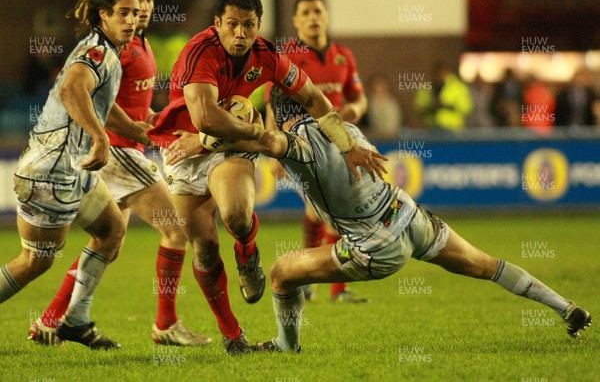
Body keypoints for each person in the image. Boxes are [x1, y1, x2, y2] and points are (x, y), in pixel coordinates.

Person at [230, 90, 591, 352]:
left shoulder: (297, 141)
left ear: (279, 112)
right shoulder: (345, 130)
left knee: (280, 272)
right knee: (486, 265)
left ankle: (285, 345)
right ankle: (566, 308)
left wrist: (216, 136)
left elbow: (271, 143)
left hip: (374, 245)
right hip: (409, 216)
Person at [147, 0, 382, 355]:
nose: (240, 34)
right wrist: (259, 133)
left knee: (237, 216)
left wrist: (347, 145)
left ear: (258, 25)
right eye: (232, 25)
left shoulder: (268, 55)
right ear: (217, 23)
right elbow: (205, 118)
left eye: (249, 26)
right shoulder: (199, 52)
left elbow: (314, 99)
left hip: (230, 146)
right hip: (183, 148)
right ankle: (232, 335)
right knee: (205, 248)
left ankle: (247, 251)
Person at [28, 0, 211, 348]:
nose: (143, 8)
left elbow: (130, 107)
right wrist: (143, 133)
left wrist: (159, 123)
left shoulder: (139, 44)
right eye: (136, 2)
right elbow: (91, 96)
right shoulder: (113, 48)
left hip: (122, 149)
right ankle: (166, 324)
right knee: (175, 230)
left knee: (107, 242)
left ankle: (51, 321)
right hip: (115, 151)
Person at [1, 0, 149, 349]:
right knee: (35, 261)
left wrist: (134, 128)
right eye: (123, 13)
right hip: (49, 172)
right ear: (103, 14)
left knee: (112, 230)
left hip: (75, 169)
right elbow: (71, 88)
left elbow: (99, 101)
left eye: (135, 12)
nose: (132, 20)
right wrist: (100, 138)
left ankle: (75, 321)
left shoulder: (108, 51)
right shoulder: (97, 52)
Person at [266, 0, 369, 302]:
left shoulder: (343, 56)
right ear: (296, 21)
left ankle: (317, 282)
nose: (313, 17)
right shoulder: (287, 57)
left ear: (326, 16)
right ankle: (324, 283)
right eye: (306, 13)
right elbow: (273, 104)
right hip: (303, 144)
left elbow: (359, 98)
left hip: (340, 141)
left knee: (323, 212)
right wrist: (274, 148)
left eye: (318, 11)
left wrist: (354, 112)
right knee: (328, 210)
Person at [415, 61, 472, 130]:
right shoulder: (426, 87)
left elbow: (466, 108)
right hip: (431, 127)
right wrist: (431, 106)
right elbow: (419, 107)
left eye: (442, 72)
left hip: (453, 128)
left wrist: (445, 105)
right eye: (437, 73)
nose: (440, 75)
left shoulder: (457, 87)